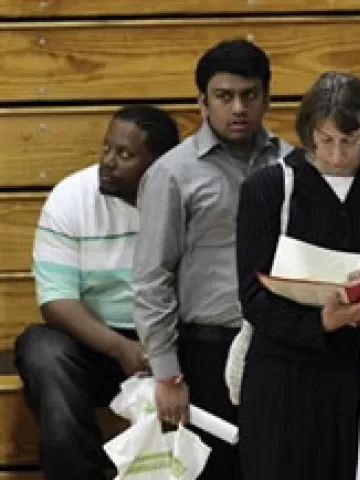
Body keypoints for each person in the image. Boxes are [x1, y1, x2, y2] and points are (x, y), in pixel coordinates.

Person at [235, 71, 360, 479]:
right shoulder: (267, 189)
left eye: (351, 141)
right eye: (326, 141)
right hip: (286, 373)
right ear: (308, 135)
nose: (338, 154)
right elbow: (252, 296)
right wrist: (320, 321)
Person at [132, 39, 291, 480]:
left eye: (249, 95)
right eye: (224, 97)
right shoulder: (172, 173)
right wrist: (167, 375)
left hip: (280, 349)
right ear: (202, 101)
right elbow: (151, 277)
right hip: (206, 353)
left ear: (267, 96)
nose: (238, 107)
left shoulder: (293, 164)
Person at [14, 106, 179, 480]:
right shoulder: (71, 197)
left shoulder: (182, 198)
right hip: (94, 342)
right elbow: (55, 302)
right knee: (42, 350)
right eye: (107, 148)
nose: (108, 162)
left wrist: (162, 349)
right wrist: (122, 349)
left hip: (170, 339)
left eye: (124, 155)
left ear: (157, 164)